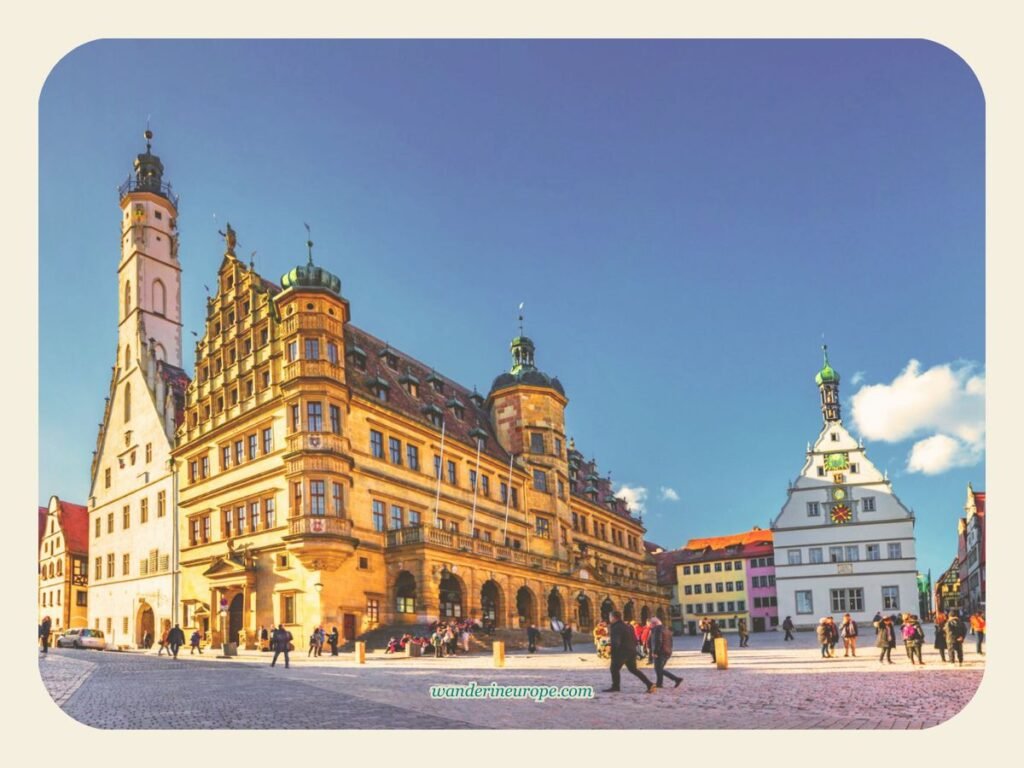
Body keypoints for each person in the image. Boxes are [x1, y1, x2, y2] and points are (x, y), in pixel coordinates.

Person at [603, 610, 654, 693]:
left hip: (621, 652)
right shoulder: (628, 626)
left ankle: (615, 687)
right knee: (633, 669)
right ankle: (649, 684)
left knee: (614, 669)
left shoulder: (615, 627)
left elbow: (616, 641)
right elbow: (634, 638)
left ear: (613, 617)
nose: (609, 619)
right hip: (631, 650)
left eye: (610, 617)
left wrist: (611, 651)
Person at [646, 617, 682, 689]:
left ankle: (676, 679)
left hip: (660, 652)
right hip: (667, 651)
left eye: (649, 624)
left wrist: (655, 651)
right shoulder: (665, 629)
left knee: (658, 669)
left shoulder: (656, 629)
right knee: (660, 668)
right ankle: (659, 683)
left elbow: (657, 640)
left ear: (653, 623)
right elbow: (670, 641)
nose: (648, 625)